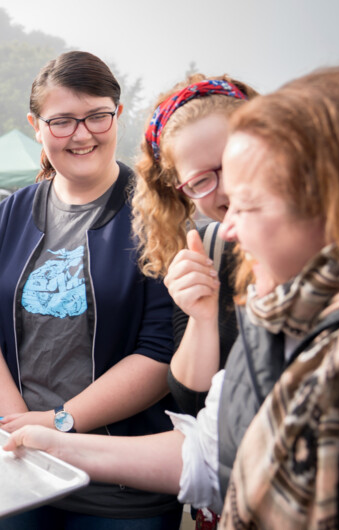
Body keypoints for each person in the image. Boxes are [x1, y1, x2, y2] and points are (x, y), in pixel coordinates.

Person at [4, 65, 339, 529]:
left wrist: (63, 425)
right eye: (201, 182)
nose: (227, 217)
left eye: (250, 196)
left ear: (325, 187)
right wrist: (54, 441)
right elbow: (210, 446)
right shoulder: (268, 304)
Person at [0, 50, 181, 528]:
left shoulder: (158, 215)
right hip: (20, 472)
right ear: (36, 126)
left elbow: (162, 349)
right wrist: (17, 423)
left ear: (117, 115)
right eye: (62, 122)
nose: (81, 134)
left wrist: (60, 422)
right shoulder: (12, 213)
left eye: (97, 115)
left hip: (121, 485)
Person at [131, 75, 258, 417]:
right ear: (179, 190)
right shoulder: (209, 252)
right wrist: (202, 318)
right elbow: (195, 405)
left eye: (234, 161)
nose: (229, 188)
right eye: (201, 180)